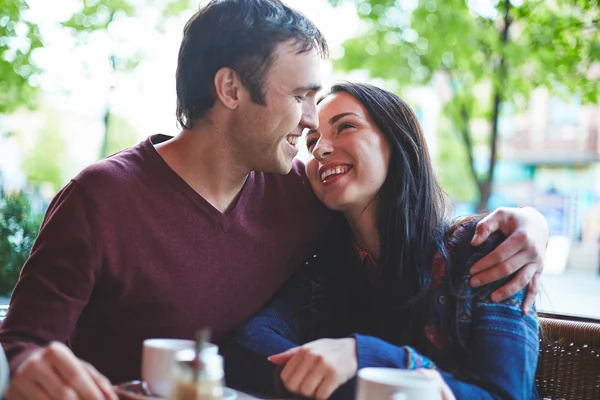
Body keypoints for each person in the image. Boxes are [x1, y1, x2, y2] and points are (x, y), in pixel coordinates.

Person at [0, 1, 546, 399]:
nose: (313, 125)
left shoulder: (302, 196)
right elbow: (21, 341)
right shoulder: (99, 197)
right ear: (231, 89)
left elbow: (396, 215)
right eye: (302, 96)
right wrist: (25, 367)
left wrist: (530, 223)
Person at [225, 83, 541, 400]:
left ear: (398, 142)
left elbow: (507, 394)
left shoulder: (486, 249)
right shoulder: (324, 273)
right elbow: (251, 342)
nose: (320, 149)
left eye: (345, 126)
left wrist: (364, 356)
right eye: (312, 142)